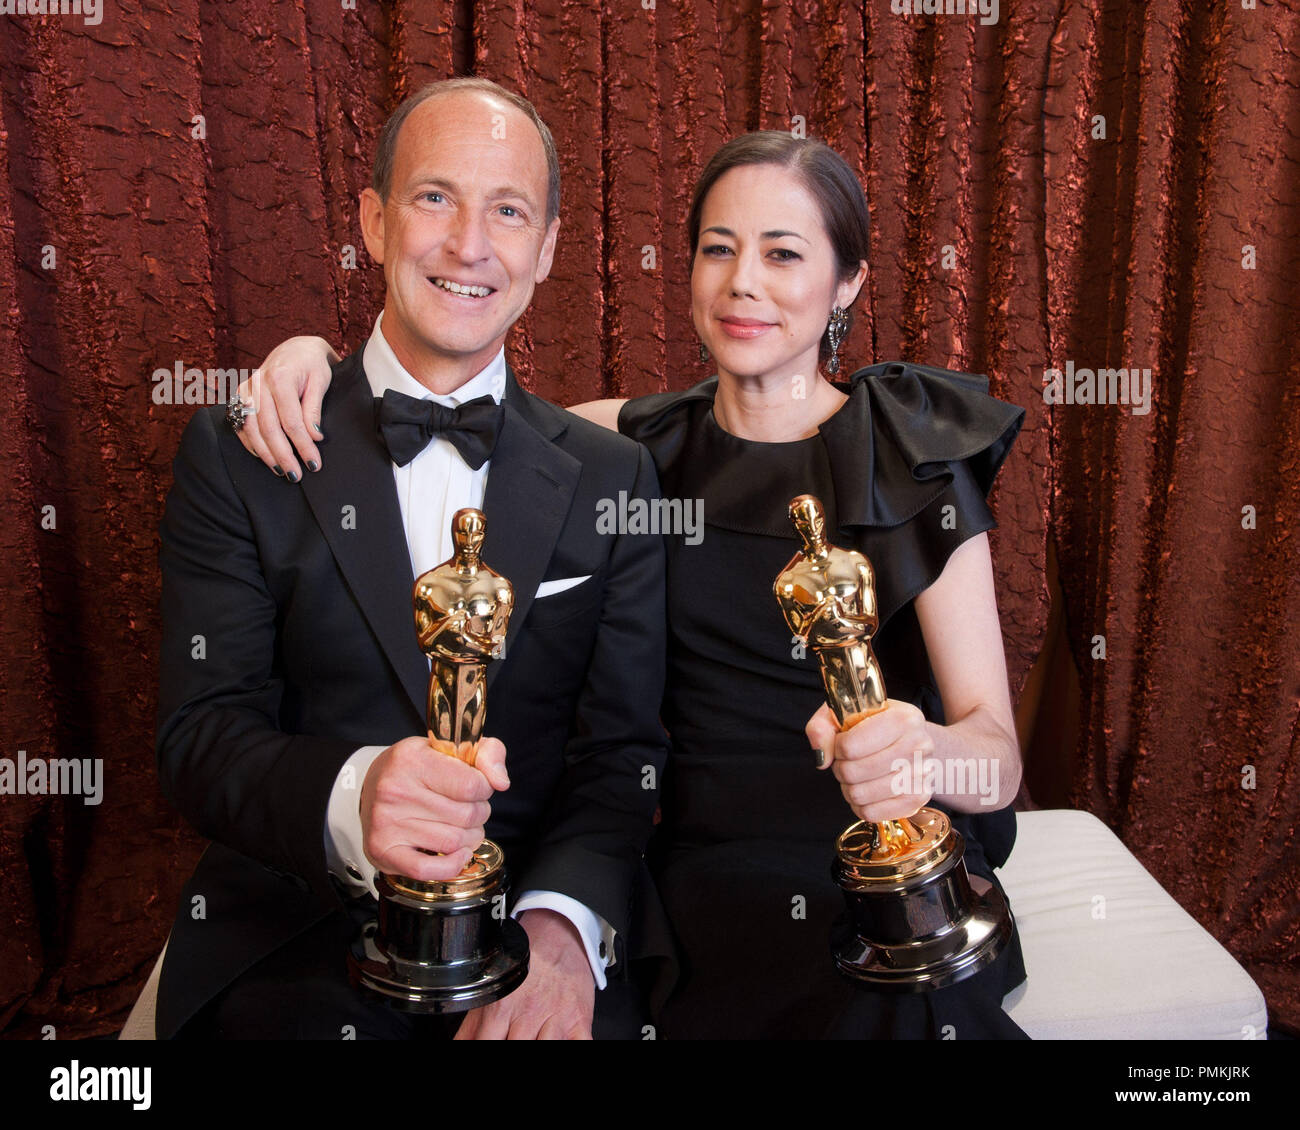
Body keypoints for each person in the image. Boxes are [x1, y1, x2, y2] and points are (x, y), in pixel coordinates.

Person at [237, 130, 1030, 1039]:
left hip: (882, 867)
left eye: (783, 254)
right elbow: (457, 409)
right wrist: (310, 364)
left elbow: (999, 760)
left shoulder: (915, 458)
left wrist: (922, 753)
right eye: (719, 249)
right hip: (697, 869)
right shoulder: (631, 447)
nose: (742, 283)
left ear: (846, 281)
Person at [153, 77, 669, 1040]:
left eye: (507, 211)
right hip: (299, 940)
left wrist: (562, 928)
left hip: (526, 937)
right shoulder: (245, 450)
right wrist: (355, 797)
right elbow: (199, 737)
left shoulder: (616, 475)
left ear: (546, 249)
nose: (470, 245)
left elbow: (623, 754)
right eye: (435, 197)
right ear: (375, 222)